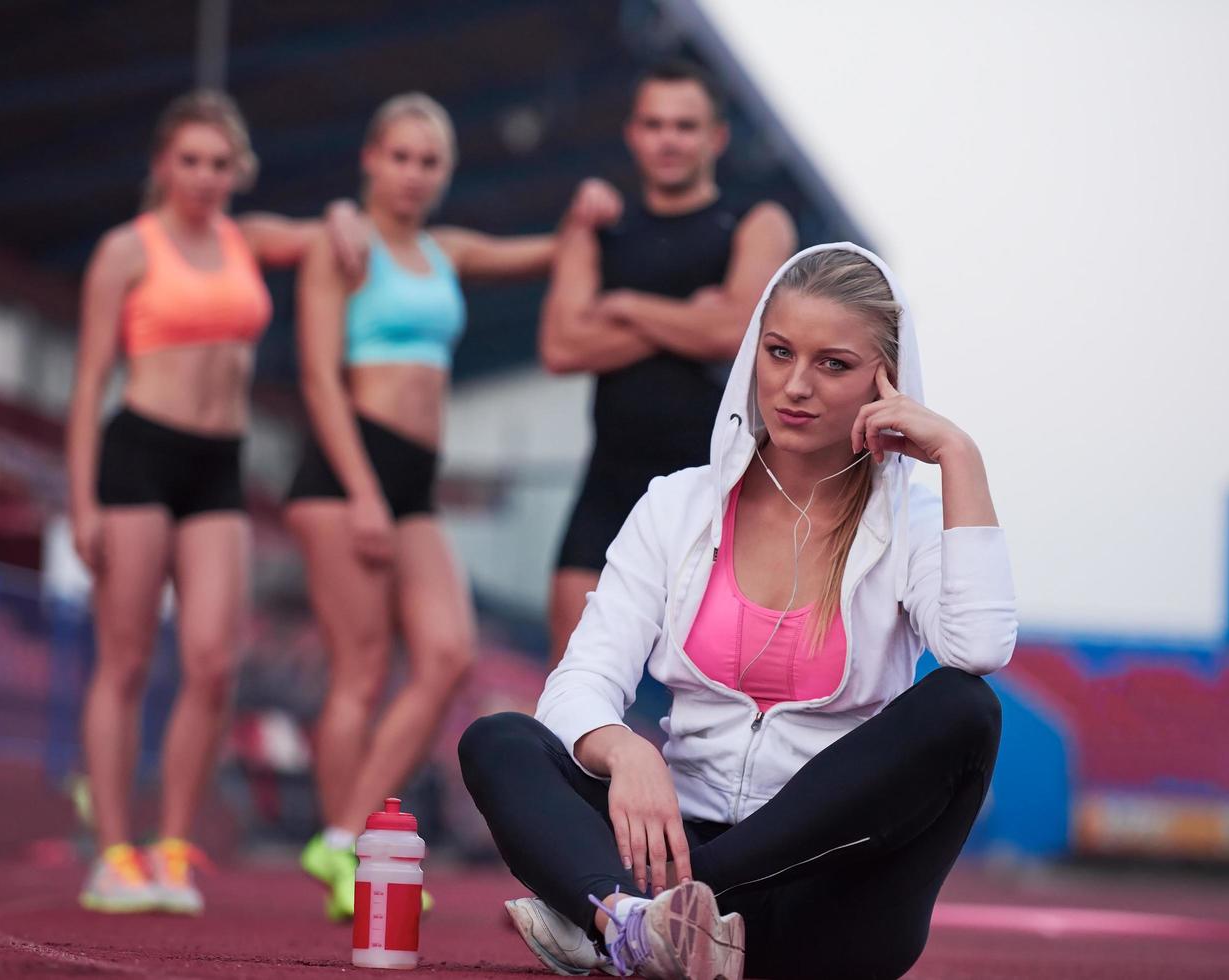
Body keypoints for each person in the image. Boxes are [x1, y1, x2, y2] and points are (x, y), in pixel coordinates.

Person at [461, 244, 1017, 980]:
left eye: (833, 364)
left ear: (887, 383)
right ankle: (633, 926)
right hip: (671, 841)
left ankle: (620, 918)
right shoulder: (677, 506)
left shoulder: (911, 521)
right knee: (500, 741)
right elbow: (578, 681)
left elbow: (976, 647)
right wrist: (623, 749)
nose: (794, 386)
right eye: (779, 351)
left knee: (964, 708)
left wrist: (957, 456)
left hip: (823, 905)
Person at [285, 92, 619, 920]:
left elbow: (548, 252)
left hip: (415, 482)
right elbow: (318, 377)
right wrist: (361, 490)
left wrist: (584, 215)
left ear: (444, 173)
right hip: (344, 467)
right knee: (359, 670)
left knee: (445, 654)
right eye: (398, 156)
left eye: (429, 161)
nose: (412, 174)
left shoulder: (446, 250)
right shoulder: (344, 247)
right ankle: (345, 849)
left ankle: (341, 836)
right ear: (370, 160)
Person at [67, 89, 366, 915]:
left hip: (218, 465)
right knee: (125, 660)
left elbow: (330, 232)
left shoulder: (245, 238)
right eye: (189, 160)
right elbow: (90, 381)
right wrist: (83, 500)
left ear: (238, 170)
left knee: (212, 662)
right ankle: (112, 854)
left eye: (218, 162)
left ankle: (170, 851)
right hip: (138, 454)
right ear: (163, 165)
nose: (203, 176)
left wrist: (341, 208)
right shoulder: (127, 250)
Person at [540, 59, 797, 667]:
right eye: (655, 124)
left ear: (716, 137)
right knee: (571, 679)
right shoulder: (599, 228)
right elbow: (560, 348)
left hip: (716, 491)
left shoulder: (756, 221)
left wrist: (624, 307)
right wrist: (688, 318)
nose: (669, 139)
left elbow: (737, 330)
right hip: (606, 485)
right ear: (633, 133)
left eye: (685, 126)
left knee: (722, 687)